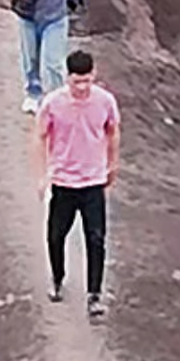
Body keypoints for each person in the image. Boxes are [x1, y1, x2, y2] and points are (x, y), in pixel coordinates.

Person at [37, 47, 119, 319]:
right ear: (67, 78)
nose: (82, 87)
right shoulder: (53, 103)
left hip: (93, 181)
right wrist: (42, 174)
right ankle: (57, 278)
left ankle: (94, 294)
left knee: (96, 239)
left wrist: (113, 162)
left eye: (87, 80)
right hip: (63, 181)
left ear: (94, 75)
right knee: (56, 235)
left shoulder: (105, 101)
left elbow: (112, 130)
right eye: (77, 81)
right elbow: (39, 136)